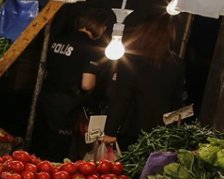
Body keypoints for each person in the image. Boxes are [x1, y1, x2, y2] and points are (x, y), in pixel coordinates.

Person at [33, 10, 112, 161]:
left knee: (40, 144)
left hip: (45, 97)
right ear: (97, 25)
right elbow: (87, 84)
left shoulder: (59, 40)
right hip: (65, 105)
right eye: (103, 27)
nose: (103, 31)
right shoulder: (91, 48)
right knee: (55, 152)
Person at [101, 14, 186, 151]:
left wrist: (110, 131)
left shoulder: (131, 60)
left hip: (131, 129)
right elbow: (177, 101)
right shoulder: (176, 63)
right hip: (160, 131)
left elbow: (122, 97)